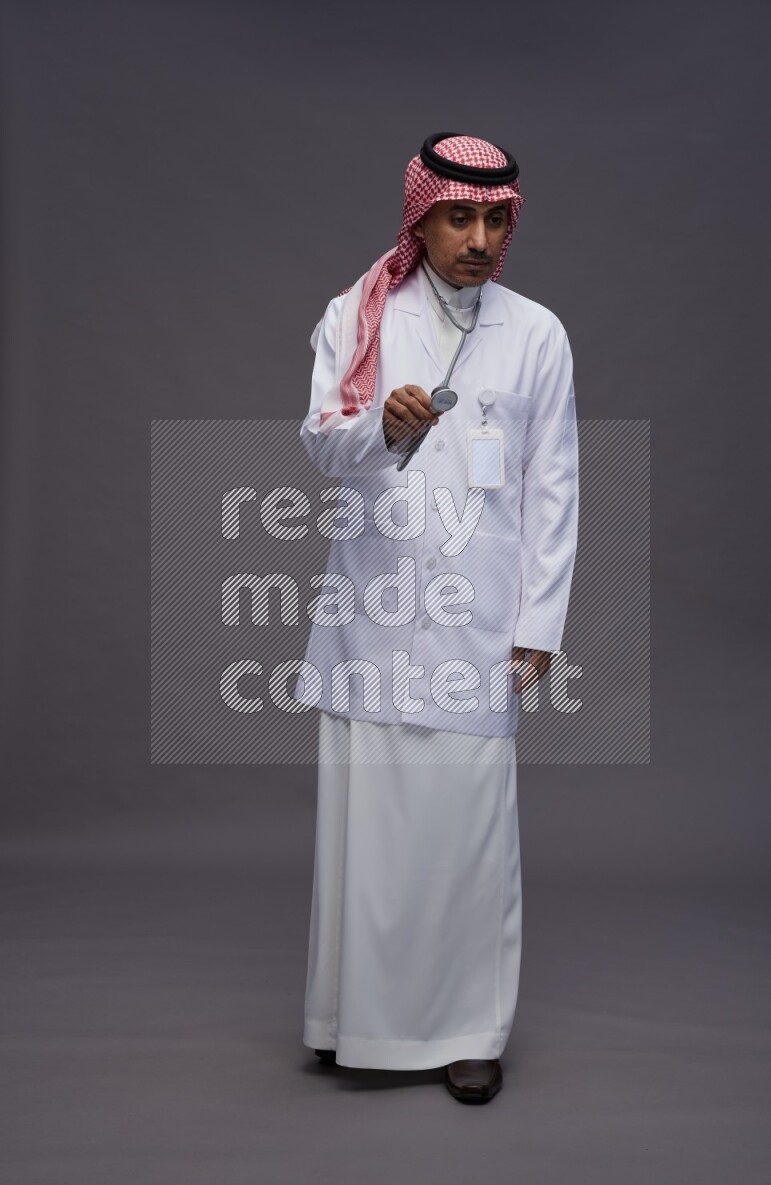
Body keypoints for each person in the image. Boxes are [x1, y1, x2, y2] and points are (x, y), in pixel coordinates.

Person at [297, 133, 579, 1103]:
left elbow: (553, 490)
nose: (479, 237)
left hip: (475, 626)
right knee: (368, 837)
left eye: (495, 218)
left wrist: (537, 623)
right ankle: (351, 1022)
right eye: (459, 215)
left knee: (466, 838)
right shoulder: (357, 314)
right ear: (419, 216)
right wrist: (385, 428)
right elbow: (322, 448)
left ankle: (468, 1031)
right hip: (374, 615)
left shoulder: (536, 334)